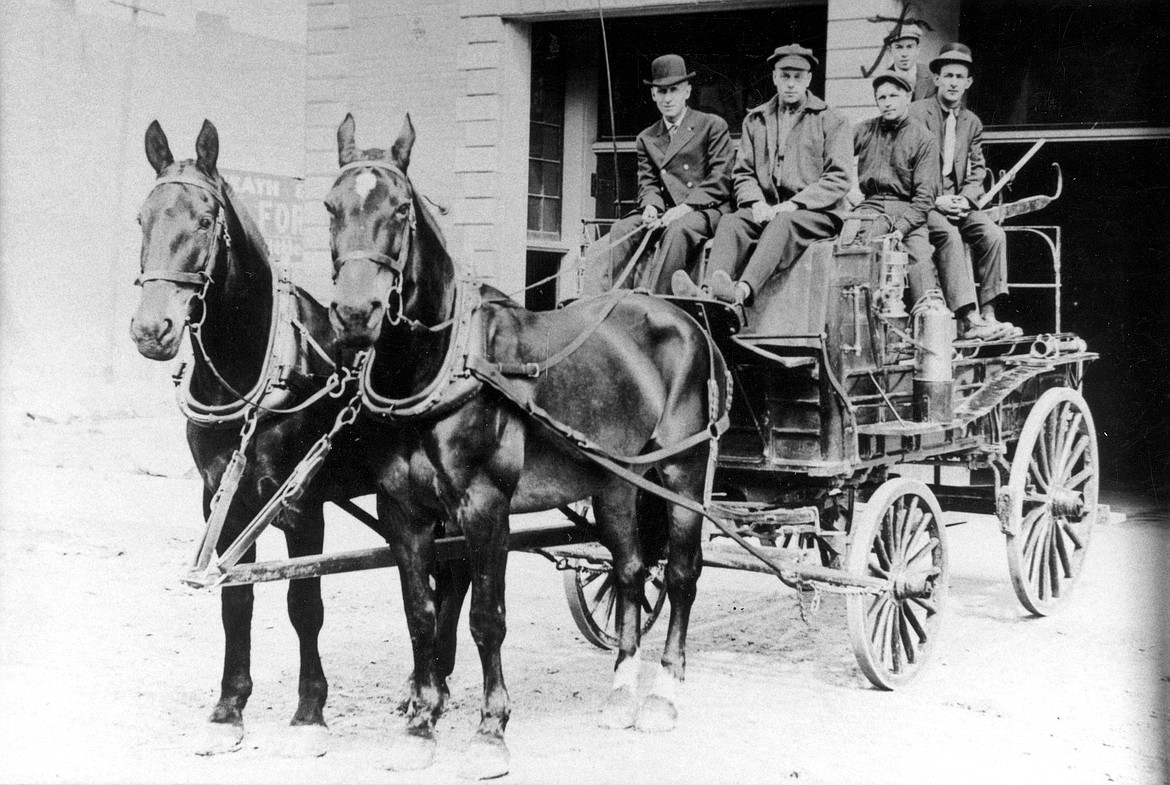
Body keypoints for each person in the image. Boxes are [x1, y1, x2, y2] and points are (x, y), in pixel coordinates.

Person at [672, 44, 851, 305]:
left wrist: (793, 204)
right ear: (775, 77)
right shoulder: (755, 120)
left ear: (809, 79)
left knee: (783, 222)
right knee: (732, 222)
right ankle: (711, 293)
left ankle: (740, 293)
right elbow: (743, 172)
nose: (790, 84)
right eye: (784, 76)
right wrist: (755, 203)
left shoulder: (831, 120)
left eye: (797, 77)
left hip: (815, 213)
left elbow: (839, 177)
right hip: (766, 209)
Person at [580, 54, 733, 295]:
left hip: (706, 210)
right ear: (653, 95)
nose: (668, 98)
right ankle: (615, 301)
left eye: (674, 90)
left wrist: (686, 208)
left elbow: (720, 178)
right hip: (666, 211)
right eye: (661, 92)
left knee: (678, 229)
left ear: (687, 91)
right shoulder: (647, 137)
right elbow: (648, 183)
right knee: (622, 228)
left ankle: (657, 302)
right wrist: (651, 206)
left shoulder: (711, 125)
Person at [910, 43, 1019, 339]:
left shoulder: (972, 122)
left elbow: (978, 169)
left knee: (995, 235)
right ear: (936, 79)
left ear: (968, 82)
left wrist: (966, 198)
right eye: (948, 75)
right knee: (951, 237)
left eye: (960, 76)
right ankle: (966, 319)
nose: (954, 82)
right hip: (926, 203)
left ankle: (988, 315)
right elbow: (907, 166)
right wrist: (938, 199)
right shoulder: (917, 114)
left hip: (958, 202)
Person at [852, 71, 940, 304]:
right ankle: (863, 322)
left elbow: (924, 198)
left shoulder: (924, 139)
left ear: (907, 97)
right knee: (862, 254)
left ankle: (924, 320)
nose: (888, 102)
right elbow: (833, 162)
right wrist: (846, 198)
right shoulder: (863, 131)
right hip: (870, 207)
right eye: (882, 98)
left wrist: (901, 229)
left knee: (920, 259)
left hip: (908, 211)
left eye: (893, 95)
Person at [887, 23, 937, 102]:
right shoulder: (884, 78)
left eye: (909, 47)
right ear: (890, 50)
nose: (904, 54)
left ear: (918, 49)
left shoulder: (931, 76)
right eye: (898, 47)